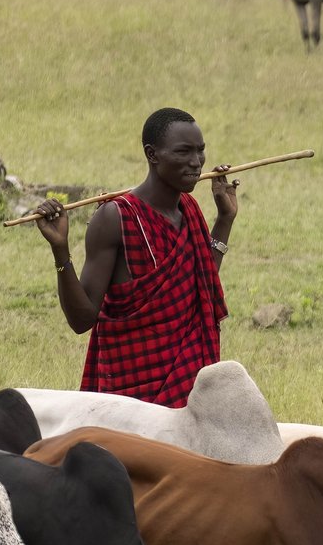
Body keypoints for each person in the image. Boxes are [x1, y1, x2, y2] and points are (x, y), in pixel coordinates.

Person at [32, 107, 237, 407]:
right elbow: (81, 319)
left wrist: (224, 219)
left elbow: (200, 282)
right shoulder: (115, 217)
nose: (196, 163)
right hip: (131, 396)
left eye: (200, 151)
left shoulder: (189, 209)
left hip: (188, 388)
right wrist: (60, 248)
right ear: (152, 155)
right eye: (183, 152)